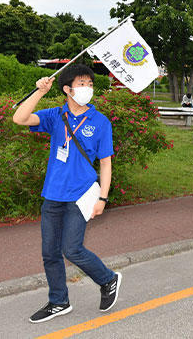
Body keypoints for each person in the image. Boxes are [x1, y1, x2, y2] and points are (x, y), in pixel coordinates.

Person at [12, 65, 121, 323]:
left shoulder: (100, 122)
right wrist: (39, 92)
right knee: (50, 253)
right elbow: (20, 118)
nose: (88, 89)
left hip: (81, 195)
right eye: (82, 84)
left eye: (90, 84)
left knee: (71, 249)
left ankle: (108, 279)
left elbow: (105, 163)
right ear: (67, 89)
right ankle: (59, 301)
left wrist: (103, 198)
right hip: (53, 194)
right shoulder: (54, 116)